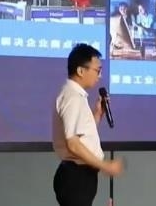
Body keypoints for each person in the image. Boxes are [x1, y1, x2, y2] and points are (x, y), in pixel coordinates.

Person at [52, 43, 124, 206]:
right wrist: (105, 166)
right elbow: (73, 143)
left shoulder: (76, 95)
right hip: (76, 177)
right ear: (80, 71)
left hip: (80, 176)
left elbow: (82, 136)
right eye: (97, 70)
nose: (100, 76)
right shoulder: (72, 97)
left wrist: (97, 114)